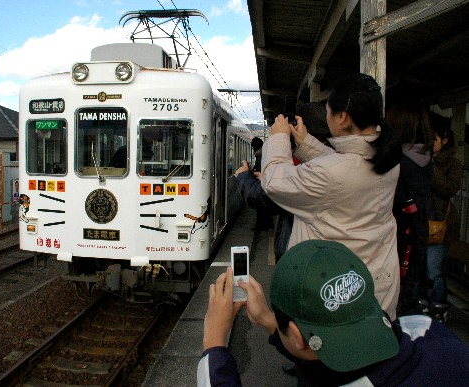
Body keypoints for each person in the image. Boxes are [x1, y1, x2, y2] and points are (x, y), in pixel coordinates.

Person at [197, 240, 469, 386]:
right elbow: (326, 357)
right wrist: (271, 322)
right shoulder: (427, 331)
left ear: (296, 335)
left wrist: (215, 343)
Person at [260, 73, 403, 319]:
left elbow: (274, 181)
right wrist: (305, 143)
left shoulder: (332, 173)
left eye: (328, 111)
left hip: (337, 294)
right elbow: (343, 168)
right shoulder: (387, 158)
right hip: (379, 286)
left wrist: (279, 138)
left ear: (342, 116)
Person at [235, 102, 331, 261]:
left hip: (305, 260)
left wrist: (244, 176)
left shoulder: (316, 169)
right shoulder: (336, 160)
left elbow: (266, 197)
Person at [386, 102, 433, 317]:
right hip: (417, 238)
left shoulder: (399, 162)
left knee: (394, 305)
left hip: (397, 241)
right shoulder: (425, 159)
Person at [416, 113, 463, 322]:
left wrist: (430, 167)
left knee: (435, 269)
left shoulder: (452, 163)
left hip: (439, 225)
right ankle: (419, 301)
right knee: (419, 266)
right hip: (419, 221)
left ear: (444, 140)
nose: (428, 142)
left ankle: (439, 304)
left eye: (433, 139)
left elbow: (449, 188)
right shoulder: (419, 158)